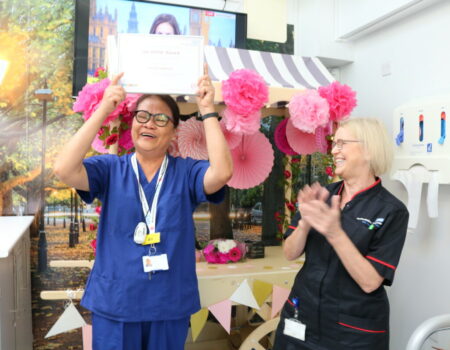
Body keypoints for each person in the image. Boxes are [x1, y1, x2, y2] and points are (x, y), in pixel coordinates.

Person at [54, 68, 233, 350]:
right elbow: (63, 169)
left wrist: (208, 110)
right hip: (116, 303)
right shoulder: (110, 169)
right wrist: (103, 110)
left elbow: (221, 173)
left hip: (168, 304)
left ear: (174, 131)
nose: (150, 123)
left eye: (161, 119)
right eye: (143, 116)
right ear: (133, 123)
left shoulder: (186, 172)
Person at [273, 118, 409, 350]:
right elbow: (289, 252)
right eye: (334, 143)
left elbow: (370, 282)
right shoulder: (323, 195)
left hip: (353, 333)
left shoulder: (391, 211)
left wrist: (335, 232)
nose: (334, 150)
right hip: (301, 316)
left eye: (342, 143)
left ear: (369, 150)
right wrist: (306, 219)